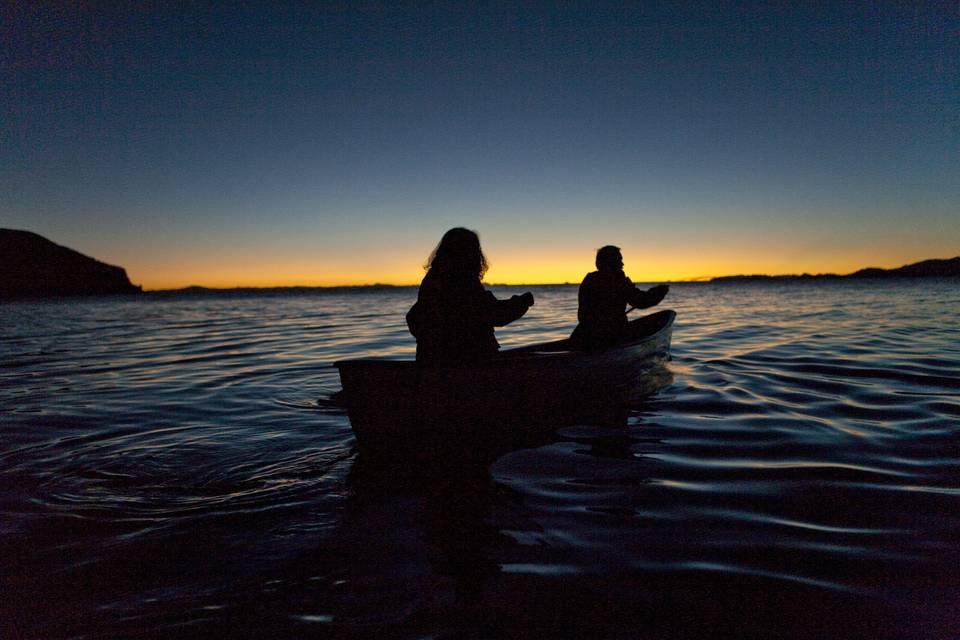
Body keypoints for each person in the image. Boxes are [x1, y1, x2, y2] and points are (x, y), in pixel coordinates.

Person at [407, 228, 534, 365]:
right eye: (474, 249)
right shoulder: (461, 280)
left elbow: (413, 317)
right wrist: (522, 303)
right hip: (468, 361)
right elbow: (491, 313)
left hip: (431, 359)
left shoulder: (433, 278)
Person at [571, 245, 669, 349]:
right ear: (610, 262)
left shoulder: (589, 279)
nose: (622, 264)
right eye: (619, 260)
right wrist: (658, 292)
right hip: (610, 335)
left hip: (585, 333)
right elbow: (641, 301)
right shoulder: (618, 281)